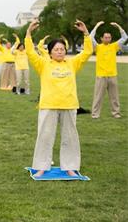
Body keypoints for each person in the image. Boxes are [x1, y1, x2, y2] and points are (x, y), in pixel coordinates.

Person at [25, 19, 92, 177]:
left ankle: (70, 166)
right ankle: (42, 166)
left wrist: (86, 33)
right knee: (45, 136)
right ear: (50, 52)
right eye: (56, 49)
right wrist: (28, 32)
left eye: (62, 49)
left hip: (69, 105)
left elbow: (87, 52)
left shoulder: (72, 63)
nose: (60, 51)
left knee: (70, 137)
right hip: (49, 105)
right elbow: (30, 52)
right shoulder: (43, 64)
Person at [90, 21, 127, 119]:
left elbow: (125, 37)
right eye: (105, 37)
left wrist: (118, 26)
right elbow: (90, 37)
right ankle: (95, 114)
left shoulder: (114, 46)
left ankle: (116, 113)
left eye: (109, 37)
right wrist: (97, 26)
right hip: (101, 76)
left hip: (112, 75)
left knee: (114, 97)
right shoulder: (97, 47)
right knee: (98, 97)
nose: (107, 39)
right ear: (101, 38)